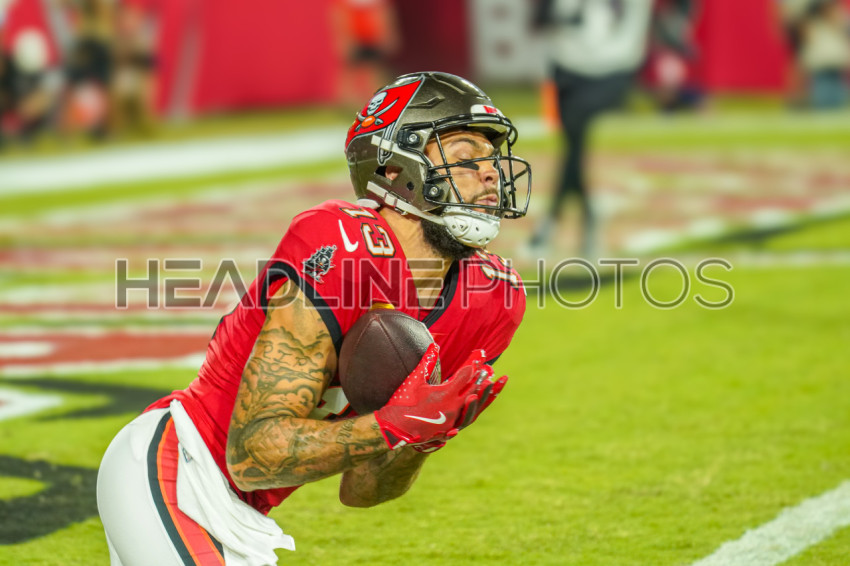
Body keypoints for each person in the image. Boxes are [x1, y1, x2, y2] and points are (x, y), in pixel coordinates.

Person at [97, 71, 532, 565]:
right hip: (178, 467)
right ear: (395, 169)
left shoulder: (493, 298)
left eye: (491, 158)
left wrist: (421, 436)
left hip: (246, 512)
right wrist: (393, 424)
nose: (491, 173)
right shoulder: (342, 247)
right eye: (465, 155)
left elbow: (363, 491)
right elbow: (250, 455)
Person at [527, 0, 653, 258]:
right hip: (568, 64)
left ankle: (555, 220)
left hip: (613, 64)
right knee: (573, 146)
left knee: (574, 145)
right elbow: (539, 20)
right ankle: (584, 219)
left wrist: (678, 18)